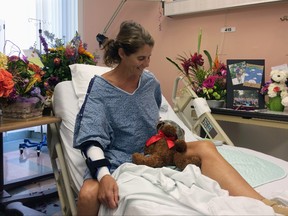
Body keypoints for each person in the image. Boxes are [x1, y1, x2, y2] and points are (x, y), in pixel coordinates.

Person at [73, 20, 288, 216]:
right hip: (118, 159)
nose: (147, 63)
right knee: (88, 196)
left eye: (149, 57)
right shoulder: (101, 89)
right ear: (122, 53)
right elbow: (92, 138)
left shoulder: (149, 83)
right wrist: (103, 175)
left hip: (155, 151)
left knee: (206, 147)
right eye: (140, 58)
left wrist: (166, 133)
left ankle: (265, 205)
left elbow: (154, 116)